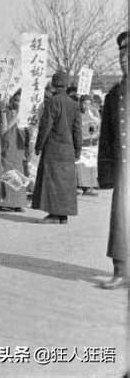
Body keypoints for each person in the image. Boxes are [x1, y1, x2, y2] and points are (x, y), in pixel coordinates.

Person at [98, 31, 128, 289]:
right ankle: (121, 270)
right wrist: (105, 173)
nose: (124, 57)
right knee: (121, 219)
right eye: (121, 52)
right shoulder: (114, 94)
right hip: (124, 169)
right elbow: (106, 137)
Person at [32, 71, 82, 224]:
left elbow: (46, 126)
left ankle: (54, 214)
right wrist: (77, 150)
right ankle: (63, 215)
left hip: (53, 148)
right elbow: (77, 130)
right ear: (66, 85)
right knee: (65, 184)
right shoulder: (74, 104)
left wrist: (38, 145)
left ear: (53, 84)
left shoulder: (52, 102)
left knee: (52, 182)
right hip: (68, 150)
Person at [0, 89, 29, 211]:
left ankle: (18, 202)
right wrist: (15, 117)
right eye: (16, 100)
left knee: (19, 172)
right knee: (8, 171)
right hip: (9, 144)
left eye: (20, 100)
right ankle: (7, 201)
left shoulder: (26, 115)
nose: (18, 103)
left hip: (20, 146)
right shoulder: (7, 112)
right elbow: (4, 130)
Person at [76, 94, 100, 196]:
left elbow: (98, 125)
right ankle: (80, 186)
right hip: (81, 143)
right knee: (80, 166)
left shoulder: (94, 113)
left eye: (89, 104)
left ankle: (89, 187)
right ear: (80, 103)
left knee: (90, 166)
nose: (86, 106)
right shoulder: (77, 114)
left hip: (91, 144)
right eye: (84, 103)